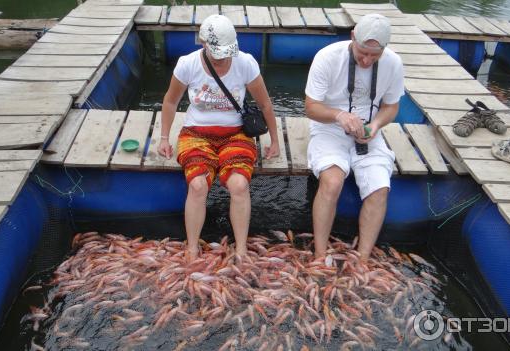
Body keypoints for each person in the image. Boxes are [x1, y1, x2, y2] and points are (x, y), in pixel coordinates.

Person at [158, 14, 280, 260]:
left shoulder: (246, 64)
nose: (223, 59)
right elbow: (170, 101)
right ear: (203, 43)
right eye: (217, 54)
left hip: (236, 134)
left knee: (239, 184)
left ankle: (242, 247)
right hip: (196, 133)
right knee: (198, 184)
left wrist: (275, 140)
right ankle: (192, 246)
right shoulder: (187, 64)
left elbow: (265, 103)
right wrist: (163, 137)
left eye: (227, 53)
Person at [304, 14, 404, 262]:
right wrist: (339, 116)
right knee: (332, 181)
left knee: (380, 187)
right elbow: (311, 107)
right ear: (352, 38)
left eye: (375, 55)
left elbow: (391, 106)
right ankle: (320, 255)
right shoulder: (327, 57)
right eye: (363, 52)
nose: (367, 60)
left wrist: (375, 126)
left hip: (368, 130)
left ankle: (362, 259)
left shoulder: (393, 63)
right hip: (329, 127)